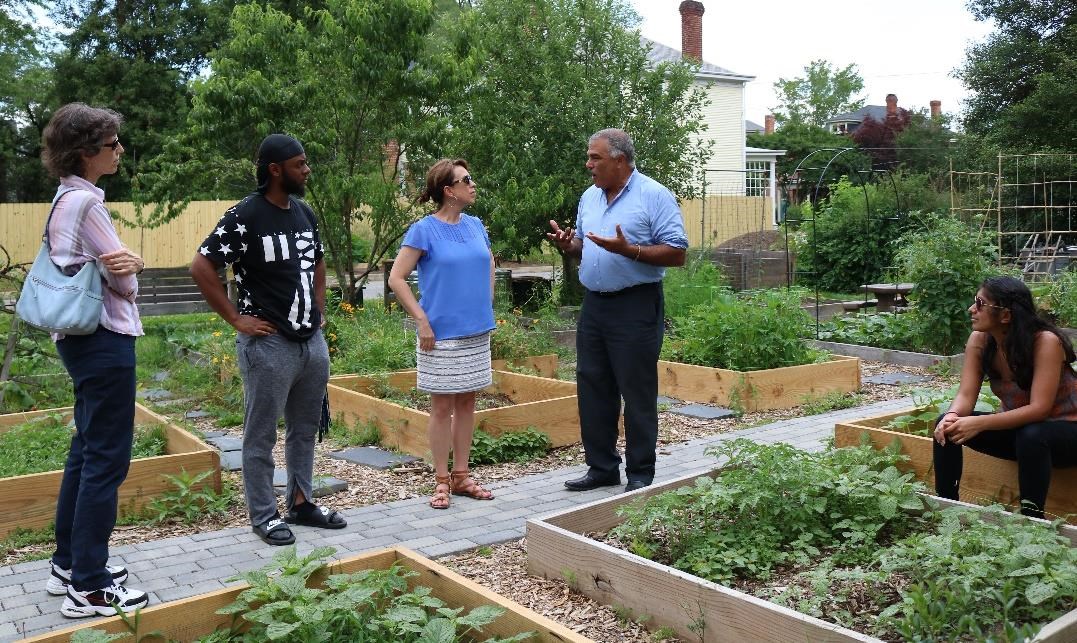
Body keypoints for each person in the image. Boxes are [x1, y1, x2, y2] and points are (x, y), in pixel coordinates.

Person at [190, 134, 345, 546]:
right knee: (261, 433)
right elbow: (203, 265)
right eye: (300, 164)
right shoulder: (245, 216)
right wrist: (235, 318)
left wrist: (318, 310)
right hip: (269, 344)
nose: (307, 170)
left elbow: (318, 265)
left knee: (304, 427)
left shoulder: (304, 213)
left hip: (310, 342)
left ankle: (301, 502)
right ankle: (263, 514)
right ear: (275, 170)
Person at [37, 103, 150, 617]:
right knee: (107, 459)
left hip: (77, 339)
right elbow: (122, 278)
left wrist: (120, 264)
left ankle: (70, 562)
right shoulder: (88, 205)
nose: (119, 150)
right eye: (112, 144)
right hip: (104, 338)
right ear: (87, 153)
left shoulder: (61, 201)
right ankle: (90, 584)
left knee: (85, 453)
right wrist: (137, 263)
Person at [547, 128, 687, 493]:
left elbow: (677, 252)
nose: (588, 164)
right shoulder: (589, 198)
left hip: (636, 304)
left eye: (595, 157)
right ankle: (602, 467)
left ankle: (640, 473)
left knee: (636, 389)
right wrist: (569, 245)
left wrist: (632, 250)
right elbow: (584, 244)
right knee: (592, 385)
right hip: (594, 305)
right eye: (589, 157)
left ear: (619, 160)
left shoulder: (654, 196)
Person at [388, 158, 496, 509]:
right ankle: (440, 481)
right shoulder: (424, 230)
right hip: (440, 334)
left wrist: (487, 304)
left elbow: (489, 263)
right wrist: (421, 320)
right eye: (467, 180)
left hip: (476, 331)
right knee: (441, 407)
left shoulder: (476, 225)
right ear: (448, 191)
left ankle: (462, 476)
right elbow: (396, 278)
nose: (473, 184)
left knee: (467, 402)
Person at [934, 276, 1077, 519]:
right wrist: (952, 415)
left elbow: (1039, 410)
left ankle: (1032, 521)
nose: (972, 309)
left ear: (1006, 316)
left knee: (1032, 435)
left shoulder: (1045, 342)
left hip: (1067, 432)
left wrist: (978, 423)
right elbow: (966, 395)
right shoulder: (980, 341)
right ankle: (947, 510)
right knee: (946, 427)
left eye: (980, 304)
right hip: (1024, 434)